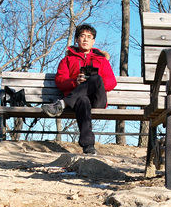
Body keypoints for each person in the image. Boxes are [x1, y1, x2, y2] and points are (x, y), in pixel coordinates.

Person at [42, 23, 117, 155]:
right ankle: (88, 146)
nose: (85, 39)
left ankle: (63, 103)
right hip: (77, 102)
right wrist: (75, 82)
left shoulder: (102, 60)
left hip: (97, 100)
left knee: (96, 78)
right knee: (82, 99)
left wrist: (94, 84)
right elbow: (60, 81)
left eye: (89, 37)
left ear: (93, 41)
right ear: (76, 39)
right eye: (82, 36)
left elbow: (112, 82)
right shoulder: (67, 60)